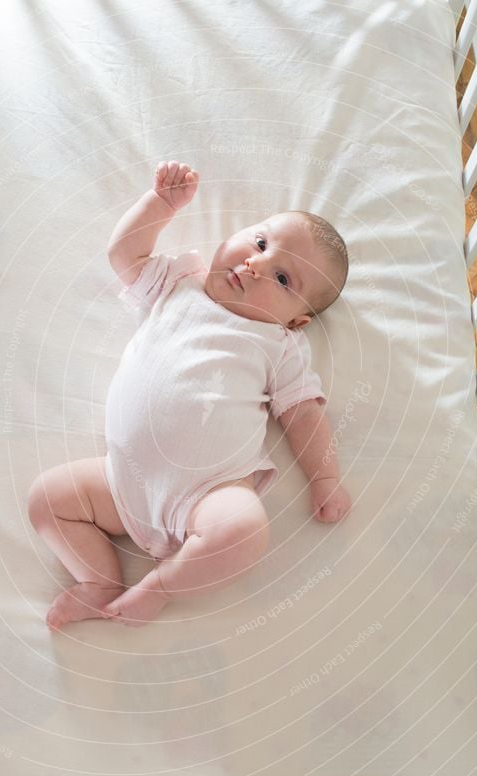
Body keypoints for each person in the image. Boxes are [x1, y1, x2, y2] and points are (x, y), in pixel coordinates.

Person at [28, 161, 351, 629]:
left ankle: (161, 586)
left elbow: (303, 415)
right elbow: (124, 255)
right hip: (120, 482)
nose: (257, 263)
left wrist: (325, 478)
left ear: (297, 320)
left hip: (206, 494)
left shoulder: (279, 345)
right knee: (46, 499)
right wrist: (159, 206)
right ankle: (99, 581)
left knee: (243, 530)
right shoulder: (179, 282)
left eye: (283, 280)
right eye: (260, 242)